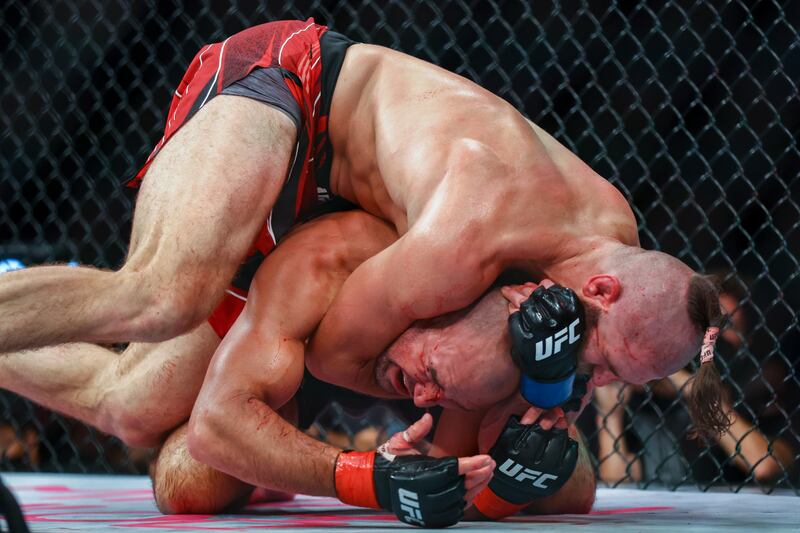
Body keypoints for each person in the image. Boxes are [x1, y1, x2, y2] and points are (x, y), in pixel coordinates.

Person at [0, 18, 728, 438]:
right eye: (600, 361)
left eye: (608, 377)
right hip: (292, 97)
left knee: (131, 407)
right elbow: (334, 356)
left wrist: (526, 408)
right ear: (600, 288)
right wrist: (414, 447)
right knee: (165, 297)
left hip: (337, 210)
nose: (588, 379)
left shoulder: (616, 233)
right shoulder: (466, 238)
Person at [0, 208, 594, 526]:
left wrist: (505, 495)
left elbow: (563, 487)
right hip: (284, 336)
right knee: (134, 409)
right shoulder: (334, 264)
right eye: (434, 374)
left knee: (555, 476)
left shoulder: (527, 335)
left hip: (435, 352)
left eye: (444, 388)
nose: (424, 398)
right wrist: (366, 477)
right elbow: (201, 449)